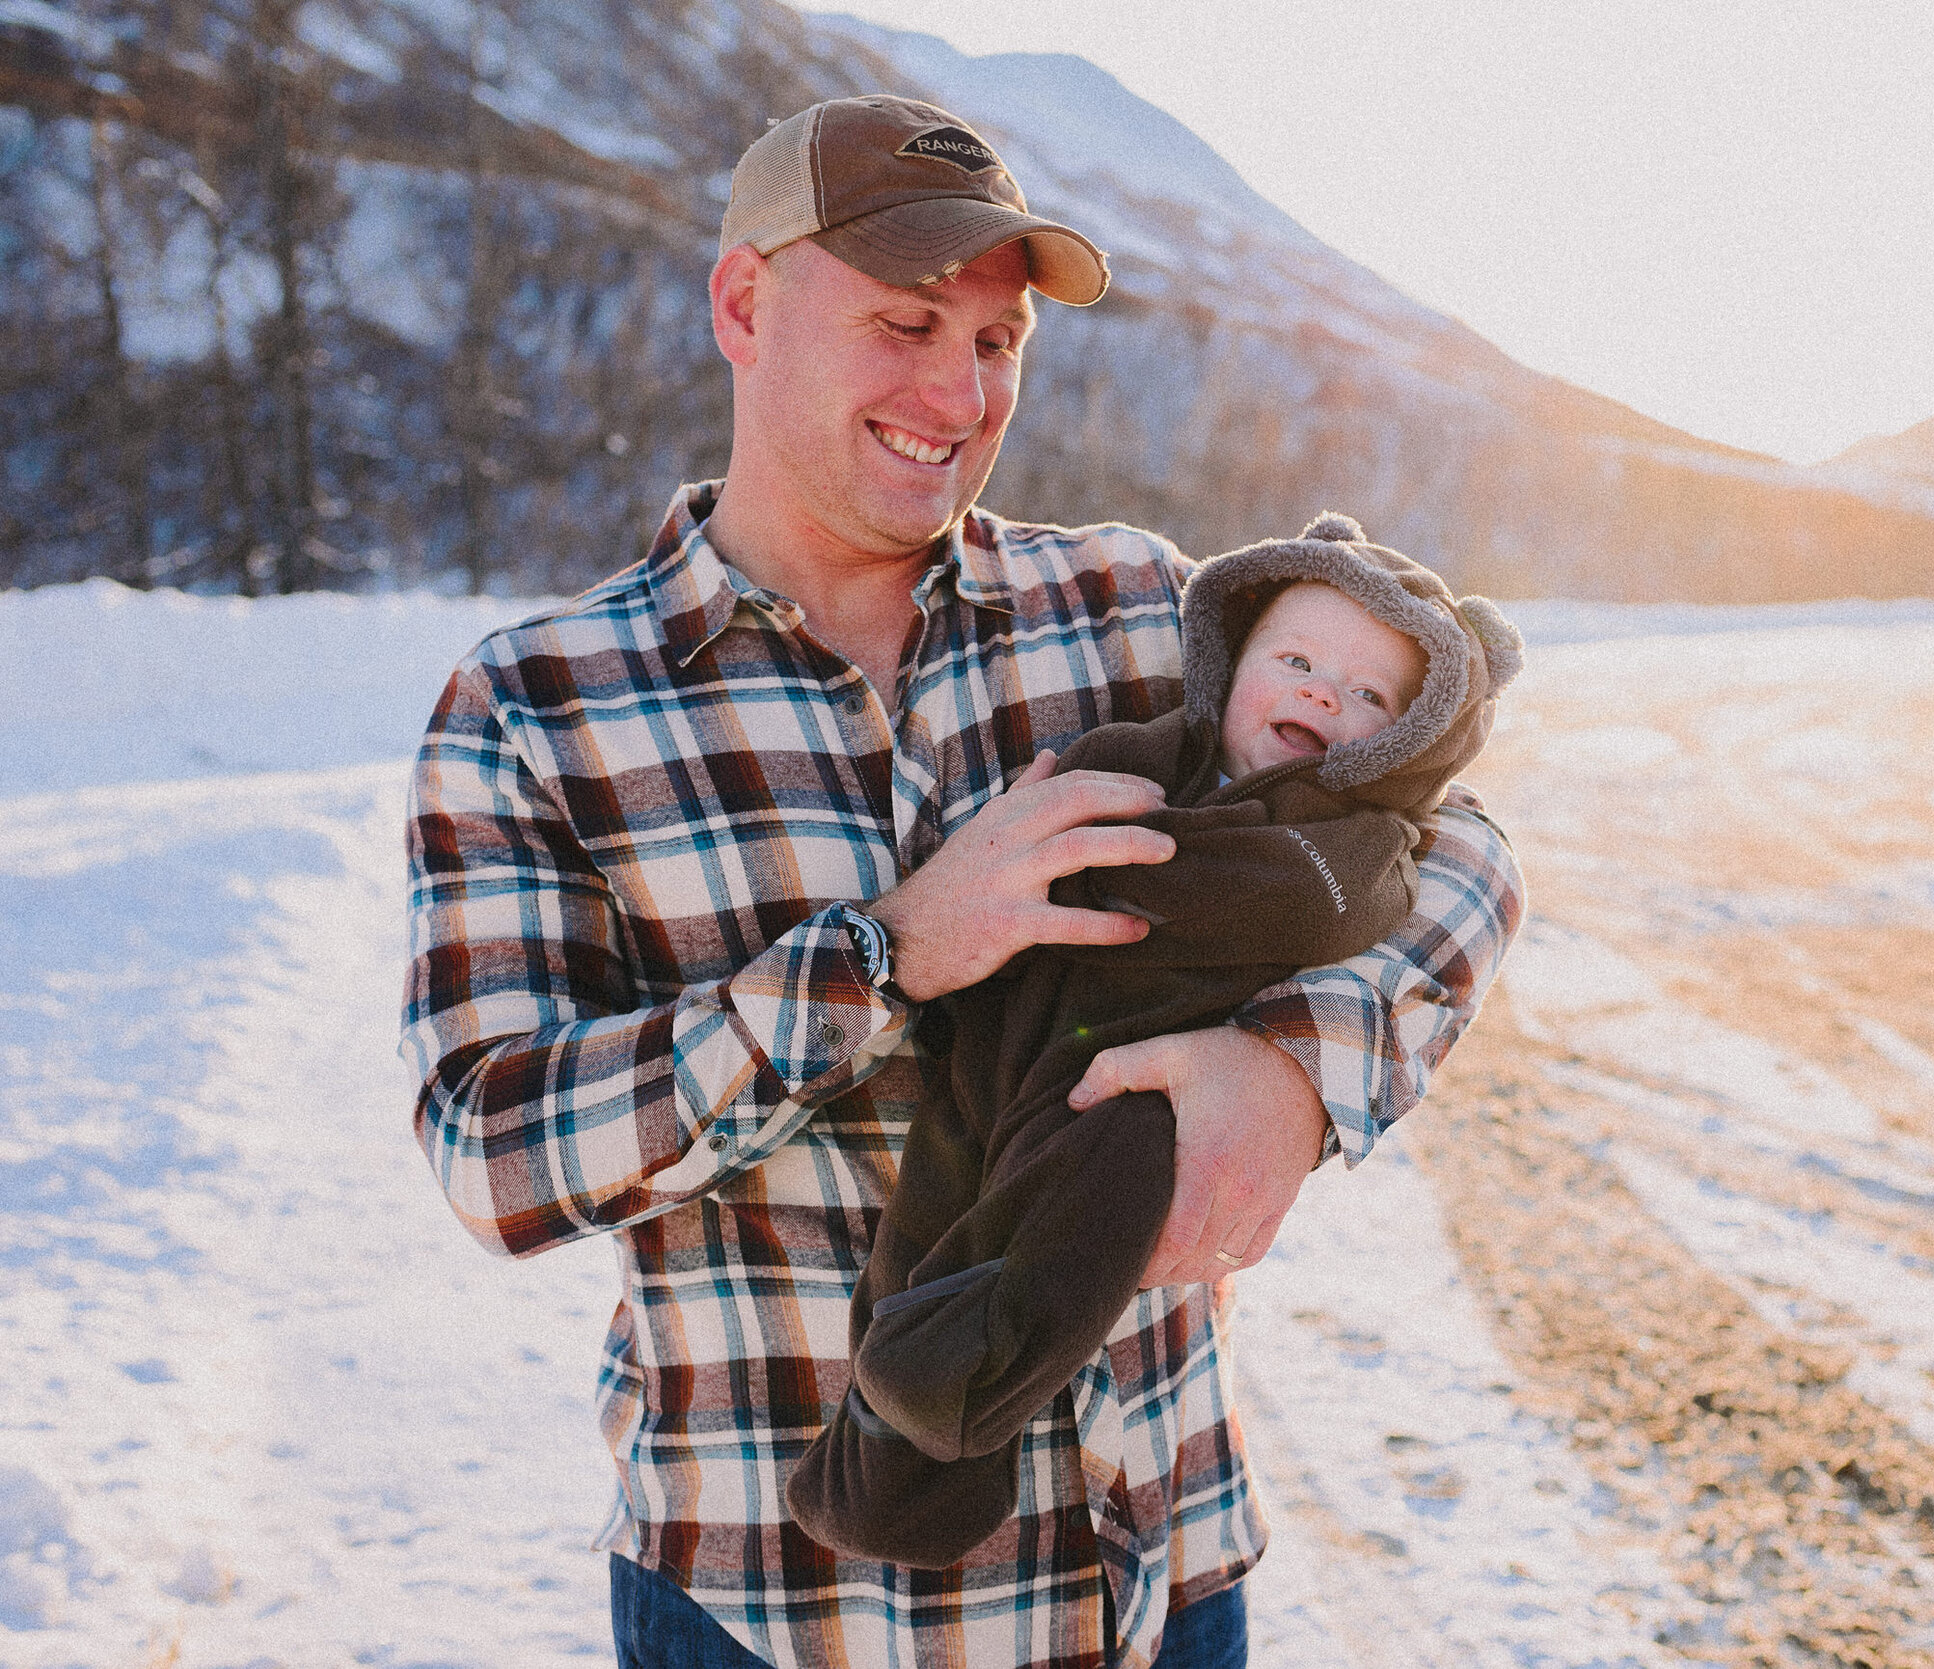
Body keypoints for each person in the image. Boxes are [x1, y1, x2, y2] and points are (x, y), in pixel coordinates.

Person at [400, 93, 1522, 1669]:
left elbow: (1448, 834)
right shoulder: (541, 704)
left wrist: (1295, 1074)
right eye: (905, 323)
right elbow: (495, 1152)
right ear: (743, 304)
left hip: (1158, 1568)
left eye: (996, 343)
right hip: (782, 1604)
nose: (957, 390)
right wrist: (886, 955)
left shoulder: (1133, 609)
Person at [789, 518, 1523, 1568]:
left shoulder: (1344, 845)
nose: (1324, 696)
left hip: (1127, 1079)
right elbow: (1054, 803)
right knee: (930, 1218)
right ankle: (873, 1475)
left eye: (1371, 697)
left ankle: (950, 1387)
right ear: (1232, 663)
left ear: (1406, 742)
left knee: (1090, 1206)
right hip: (1000, 1031)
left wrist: (1284, 1062)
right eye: (1298, 662)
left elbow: (1298, 903)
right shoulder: (1143, 747)